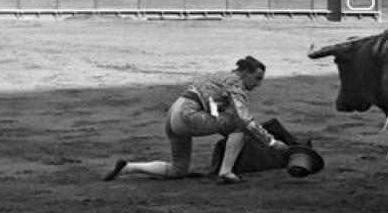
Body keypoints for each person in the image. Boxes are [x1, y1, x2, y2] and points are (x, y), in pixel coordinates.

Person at [103, 55, 289, 184]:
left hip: (174, 114)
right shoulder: (236, 84)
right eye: (257, 78)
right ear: (244, 73)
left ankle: (128, 168)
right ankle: (226, 172)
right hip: (188, 115)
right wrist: (271, 142)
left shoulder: (221, 76)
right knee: (240, 125)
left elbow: (213, 106)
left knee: (178, 170)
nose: (258, 84)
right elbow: (244, 119)